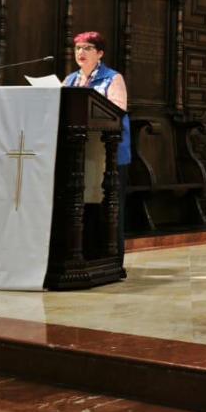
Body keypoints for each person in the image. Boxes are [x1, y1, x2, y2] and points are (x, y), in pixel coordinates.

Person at [63, 31, 132, 253]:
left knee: (108, 207)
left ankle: (111, 257)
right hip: (77, 152)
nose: (80, 52)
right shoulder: (71, 80)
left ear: (100, 53)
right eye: (77, 48)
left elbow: (117, 112)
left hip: (108, 153)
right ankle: (81, 253)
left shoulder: (113, 78)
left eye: (87, 48)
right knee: (79, 205)